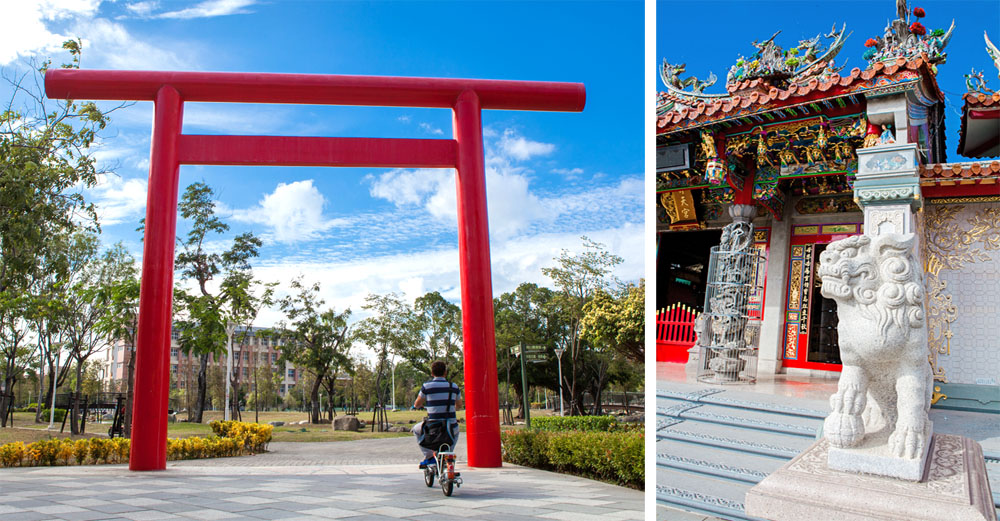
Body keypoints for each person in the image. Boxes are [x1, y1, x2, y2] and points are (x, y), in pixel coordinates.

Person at [411, 360, 462, 468]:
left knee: (416, 429)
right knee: (452, 441)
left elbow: (417, 403)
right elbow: (459, 405)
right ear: (445, 372)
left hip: (433, 427)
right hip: (451, 427)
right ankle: (448, 458)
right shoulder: (454, 387)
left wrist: (419, 406)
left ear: (432, 373)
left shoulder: (427, 386)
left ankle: (429, 457)